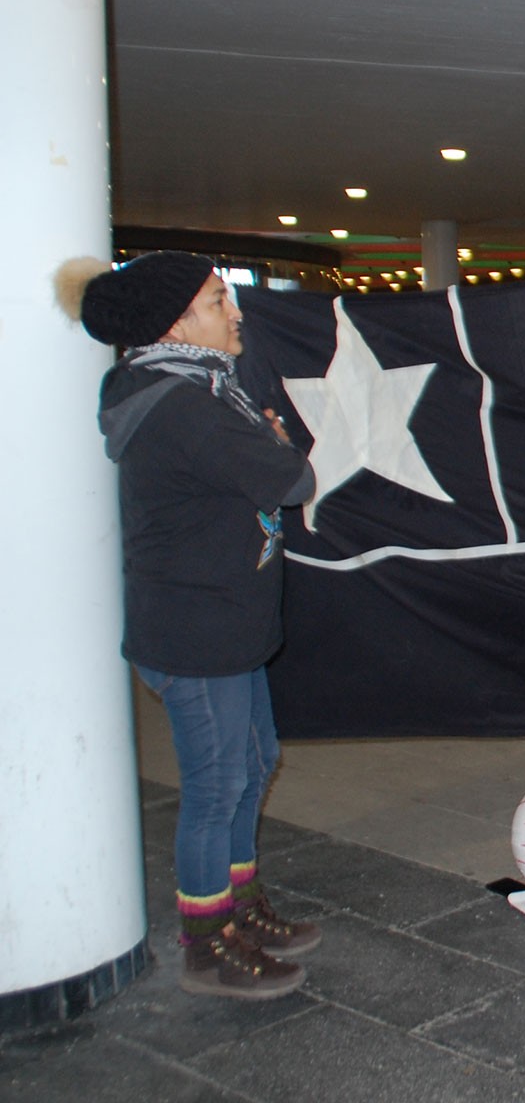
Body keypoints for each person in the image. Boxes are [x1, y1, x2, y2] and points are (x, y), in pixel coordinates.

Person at [58, 252, 320, 999]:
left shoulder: (200, 390)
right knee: (218, 784)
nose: (235, 313)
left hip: (224, 623)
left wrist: (264, 449)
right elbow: (291, 480)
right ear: (177, 320)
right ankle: (208, 942)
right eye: (218, 300)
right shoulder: (181, 404)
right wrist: (274, 448)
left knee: (252, 763)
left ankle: (239, 907)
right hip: (196, 632)